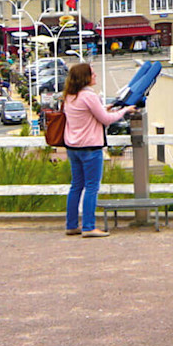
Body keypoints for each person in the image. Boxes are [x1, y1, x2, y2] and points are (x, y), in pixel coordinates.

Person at [61, 62, 129, 238]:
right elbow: (106, 120)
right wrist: (124, 111)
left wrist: (105, 108)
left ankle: (71, 224)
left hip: (73, 146)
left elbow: (88, 114)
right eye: (92, 74)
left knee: (76, 186)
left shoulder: (69, 96)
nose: (95, 76)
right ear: (85, 77)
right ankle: (89, 226)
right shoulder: (89, 96)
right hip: (90, 147)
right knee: (92, 187)